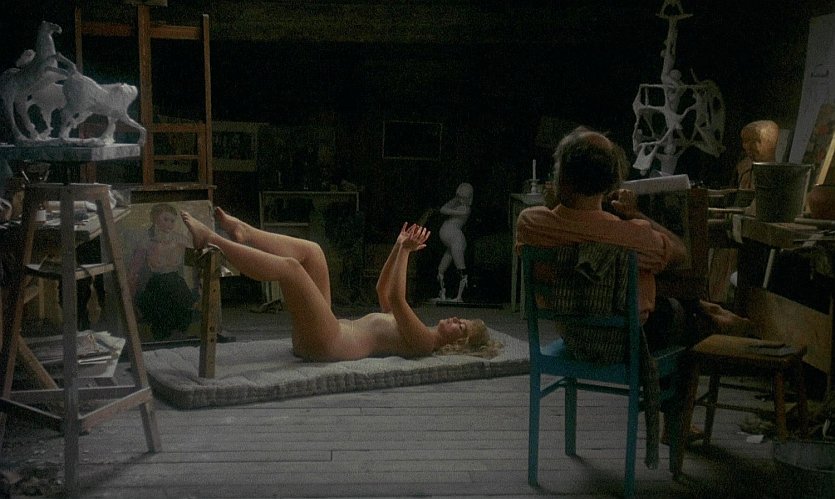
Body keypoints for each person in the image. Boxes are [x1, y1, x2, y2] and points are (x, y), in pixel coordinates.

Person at [515, 127, 695, 469]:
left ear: (561, 175)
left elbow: (568, 223)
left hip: (572, 333)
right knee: (684, 316)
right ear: (611, 183)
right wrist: (635, 215)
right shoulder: (633, 236)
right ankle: (675, 421)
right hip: (625, 343)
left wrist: (560, 198)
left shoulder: (531, 223)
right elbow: (681, 253)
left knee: (684, 310)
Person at [180, 207, 498, 361]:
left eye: (460, 326)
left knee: (291, 269)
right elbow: (383, 291)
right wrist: (398, 245)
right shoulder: (414, 328)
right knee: (314, 253)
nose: (454, 319)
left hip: (327, 345)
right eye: (460, 319)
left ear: (457, 345)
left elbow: (398, 297)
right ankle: (245, 232)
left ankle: (211, 240)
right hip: (327, 331)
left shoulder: (425, 343)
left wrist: (406, 252)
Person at [128, 203, 197, 340]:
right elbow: (134, 270)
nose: (169, 224)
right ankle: (163, 336)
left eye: (172, 221)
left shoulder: (180, 240)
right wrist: (130, 296)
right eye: (165, 219)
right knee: (159, 306)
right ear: (154, 219)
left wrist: (198, 284)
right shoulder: (146, 241)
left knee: (180, 299)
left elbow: (195, 263)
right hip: (156, 283)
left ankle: (179, 333)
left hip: (176, 282)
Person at [436, 182, 473, 302]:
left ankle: (459, 296)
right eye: (459, 197)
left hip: (456, 240)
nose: (461, 200)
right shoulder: (457, 204)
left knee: (460, 267)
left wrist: (456, 201)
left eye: (463, 198)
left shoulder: (465, 209)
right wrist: (455, 199)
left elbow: (444, 210)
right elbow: (443, 209)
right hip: (451, 239)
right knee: (441, 268)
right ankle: (442, 293)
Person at [736, 119, 779, 189]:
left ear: (769, 143)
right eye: (745, 141)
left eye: (753, 142)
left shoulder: (778, 175)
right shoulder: (743, 167)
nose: (746, 146)